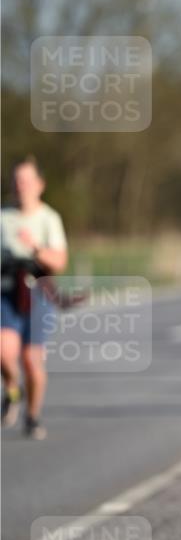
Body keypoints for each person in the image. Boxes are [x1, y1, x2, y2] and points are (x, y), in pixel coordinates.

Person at [1, 157, 68, 439]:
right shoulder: (3, 216)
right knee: (4, 352)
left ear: (39, 185)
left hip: (37, 294)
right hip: (6, 291)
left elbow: (59, 262)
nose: (21, 186)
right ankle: (13, 389)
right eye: (17, 181)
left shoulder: (48, 218)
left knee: (31, 360)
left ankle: (32, 416)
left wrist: (35, 247)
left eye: (26, 181)